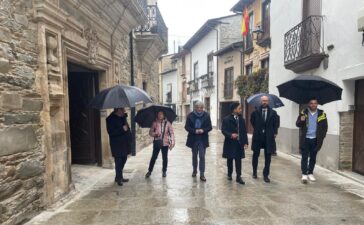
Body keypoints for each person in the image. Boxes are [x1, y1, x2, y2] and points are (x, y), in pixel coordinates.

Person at [296, 98, 328, 184]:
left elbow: (325, 127)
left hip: (315, 139)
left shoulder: (322, 114)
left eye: (315, 103)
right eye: (311, 103)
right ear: (308, 104)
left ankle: (310, 173)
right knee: (304, 157)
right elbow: (298, 124)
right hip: (305, 139)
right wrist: (301, 120)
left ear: (317, 104)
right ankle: (304, 174)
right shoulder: (303, 113)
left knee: (313, 157)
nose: (313, 105)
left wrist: (322, 137)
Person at [251, 95, 279, 183]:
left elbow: (276, 124)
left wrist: (274, 132)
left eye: (266, 101)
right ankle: (254, 172)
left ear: (268, 102)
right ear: (260, 101)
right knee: (255, 155)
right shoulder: (255, 112)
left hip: (268, 137)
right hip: (258, 136)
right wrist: (258, 129)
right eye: (263, 101)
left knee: (268, 157)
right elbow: (252, 122)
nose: (264, 102)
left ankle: (266, 175)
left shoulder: (273, 113)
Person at [221, 103, 249, 184]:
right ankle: (229, 174)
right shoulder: (226, 119)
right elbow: (223, 130)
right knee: (230, 159)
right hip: (230, 143)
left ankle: (238, 176)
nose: (241, 110)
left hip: (239, 143)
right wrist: (230, 135)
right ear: (234, 110)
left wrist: (246, 142)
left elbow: (244, 132)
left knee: (238, 160)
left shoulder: (242, 120)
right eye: (239, 108)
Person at [185, 101, 212, 182]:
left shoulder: (206, 115)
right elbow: (186, 127)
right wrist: (195, 131)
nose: (199, 109)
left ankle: (202, 174)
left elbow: (210, 127)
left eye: (201, 107)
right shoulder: (190, 115)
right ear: (195, 108)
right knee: (194, 156)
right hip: (193, 139)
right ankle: (194, 170)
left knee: (202, 156)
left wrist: (203, 130)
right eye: (198, 107)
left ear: (203, 108)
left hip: (203, 139)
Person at [106, 108, 132, 186]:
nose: (124, 110)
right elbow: (111, 132)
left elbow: (127, 128)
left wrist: (130, 137)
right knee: (118, 160)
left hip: (125, 143)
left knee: (124, 158)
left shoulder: (123, 117)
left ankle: (118, 176)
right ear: (118, 110)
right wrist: (122, 129)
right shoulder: (110, 119)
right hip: (116, 143)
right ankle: (119, 178)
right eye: (122, 109)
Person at [145, 111, 175, 178]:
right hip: (157, 142)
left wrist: (172, 142)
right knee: (154, 157)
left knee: (165, 158)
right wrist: (154, 134)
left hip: (165, 143)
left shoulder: (168, 123)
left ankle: (164, 171)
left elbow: (171, 133)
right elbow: (150, 132)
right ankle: (149, 171)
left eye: (161, 114)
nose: (160, 115)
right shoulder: (154, 123)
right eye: (158, 114)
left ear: (164, 115)